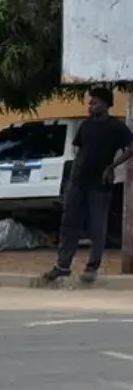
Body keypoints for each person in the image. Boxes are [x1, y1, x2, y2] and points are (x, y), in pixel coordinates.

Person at [45, 88, 133, 283]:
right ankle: (63, 266)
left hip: (99, 184)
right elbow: (80, 153)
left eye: (94, 103)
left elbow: (131, 147)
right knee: (69, 224)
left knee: (97, 227)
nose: (90, 106)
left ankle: (92, 267)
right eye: (90, 102)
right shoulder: (86, 125)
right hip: (78, 182)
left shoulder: (116, 127)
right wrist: (70, 181)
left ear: (105, 104)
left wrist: (112, 167)